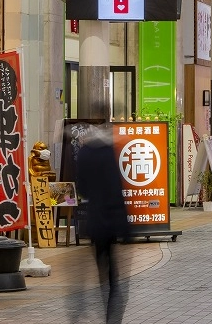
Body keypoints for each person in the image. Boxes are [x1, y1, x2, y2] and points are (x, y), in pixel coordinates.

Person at [74, 125, 130, 324]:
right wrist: (126, 228)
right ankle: (112, 312)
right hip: (113, 220)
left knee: (101, 266)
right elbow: (117, 187)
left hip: (96, 220)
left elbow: (82, 188)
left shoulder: (85, 153)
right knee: (115, 273)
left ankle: (102, 299)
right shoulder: (109, 152)